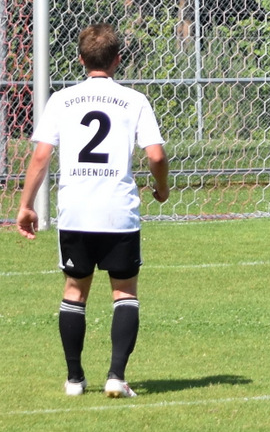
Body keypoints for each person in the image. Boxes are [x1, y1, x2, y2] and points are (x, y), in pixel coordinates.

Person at [16, 24, 170, 397]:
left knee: (74, 291)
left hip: (76, 211)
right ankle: (116, 377)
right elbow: (156, 155)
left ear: (81, 59)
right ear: (118, 59)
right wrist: (162, 187)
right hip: (119, 212)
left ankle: (74, 380)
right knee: (124, 292)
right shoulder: (134, 100)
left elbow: (41, 155)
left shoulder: (61, 100)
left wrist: (26, 205)